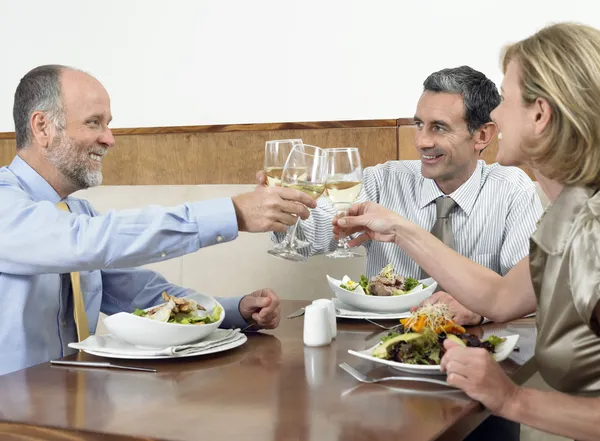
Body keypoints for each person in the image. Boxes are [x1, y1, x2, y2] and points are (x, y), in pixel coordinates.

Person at [335, 22, 600, 441]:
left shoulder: (593, 232)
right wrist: (401, 228)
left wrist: (512, 401)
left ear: (540, 114)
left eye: (505, 100)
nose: (494, 114)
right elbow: (500, 297)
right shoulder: (568, 215)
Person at [0, 65, 318, 376]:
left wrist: (235, 310)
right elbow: (87, 241)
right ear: (42, 127)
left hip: (71, 406)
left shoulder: (76, 213)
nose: (110, 139)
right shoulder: (11, 206)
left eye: (108, 124)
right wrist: (232, 213)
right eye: (94, 122)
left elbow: (142, 295)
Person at [259, 66, 542, 326]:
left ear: (482, 136)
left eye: (439, 127)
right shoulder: (383, 180)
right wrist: (286, 209)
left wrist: (479, 309)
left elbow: (533, 292)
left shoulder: (511, 189)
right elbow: (310, 240)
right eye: (419, 125)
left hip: (475, 349)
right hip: (380, 340)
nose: (422, 141)